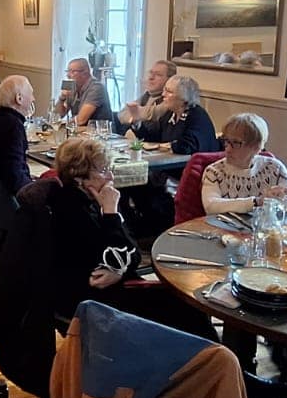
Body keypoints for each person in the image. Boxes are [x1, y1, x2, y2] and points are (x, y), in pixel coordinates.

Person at [48, 137, 215, 339]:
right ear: (78, 178)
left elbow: (133, 254)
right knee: (189, 306)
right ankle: (212, 357)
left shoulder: (94, 201)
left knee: (188, 307)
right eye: (103, 170)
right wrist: (111, 213)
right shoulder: (72, 211)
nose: (110, 176)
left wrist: (119, 269)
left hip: (109, 292)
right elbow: (118, 258)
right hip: (95, 305)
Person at [201, 113, 287, 214]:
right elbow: (211, 206)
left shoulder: (274, 168)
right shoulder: (214, 172)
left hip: (265, 225)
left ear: (256, 147)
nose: (227, 149)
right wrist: (257, 202)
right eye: (226, 141)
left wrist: (279, 200)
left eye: (236, 143)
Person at [133, 75, 217, 155]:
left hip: (195, 164)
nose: (163, 94)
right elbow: (154, 138)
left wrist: (165, 146)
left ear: (183, 97)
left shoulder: (196, 116)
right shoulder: (170, 113)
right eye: (164, 90)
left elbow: (187, 146)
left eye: (169, 91)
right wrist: (137, 123)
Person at [116, 59, 176, 131]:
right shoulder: (147, 95)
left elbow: (155, 112)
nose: (151, 78)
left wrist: (135, 114)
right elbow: (121, 114)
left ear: (170, 79)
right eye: (151, 73)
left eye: (158, 75)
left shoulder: (169, 101)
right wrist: (134, 118)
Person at [55, 57, 111, 127]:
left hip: (99, 131)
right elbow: (58, 115)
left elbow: (81, 120)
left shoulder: (97, 88)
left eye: (72, 71)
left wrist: (64, 125)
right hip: (80, 131)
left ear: (85, 73)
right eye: (67, 71)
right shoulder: (73, 87)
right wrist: (62, 98)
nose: (68, 75)